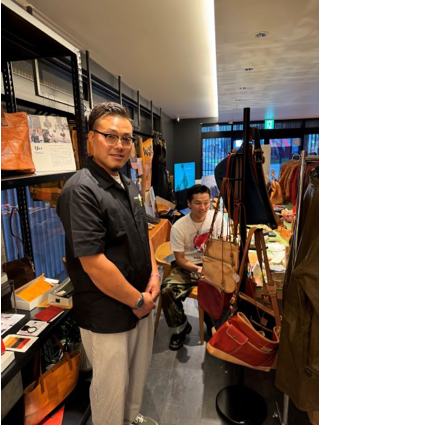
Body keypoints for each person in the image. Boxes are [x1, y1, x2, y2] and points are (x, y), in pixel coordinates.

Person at [57, 102, 160, 425]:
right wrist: (138, 301)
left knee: (135, 377)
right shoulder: (81, 190)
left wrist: (154, 275)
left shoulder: (128, 184)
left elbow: (143, 234)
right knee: (111, 391)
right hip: (108, 312)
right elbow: (94, 263)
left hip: (141, 300)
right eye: (110, 136)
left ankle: (131, 419)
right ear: (91, 138)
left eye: (126, 138)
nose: (120, 145)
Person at [161, 184, 225, 350]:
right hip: (188, 266)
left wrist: (214, 267)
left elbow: (223, 245)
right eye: (197, 203)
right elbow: (180, 260)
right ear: (189, 203)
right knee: (167, 290)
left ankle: (214, 322)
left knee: (227, 287)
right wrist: (198, 269)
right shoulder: (179, 226)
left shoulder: (217, 218)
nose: (203, 207)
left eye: (206, 202)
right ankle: (180, 328)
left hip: (212, 264)